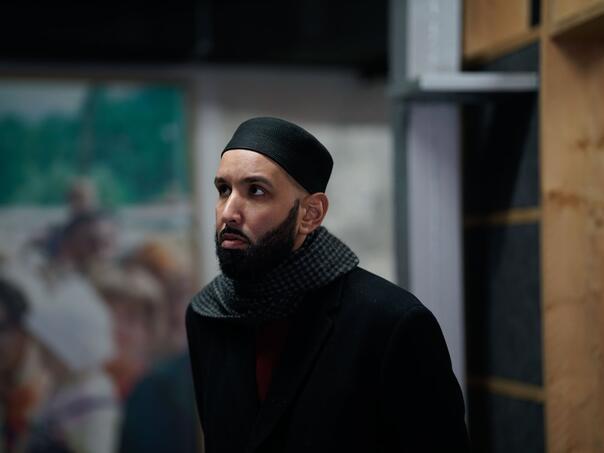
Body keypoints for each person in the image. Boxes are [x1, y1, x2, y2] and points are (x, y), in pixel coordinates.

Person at [186, 117, 470, 452]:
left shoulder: (390, 323)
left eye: (256, 191)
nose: (229, 212)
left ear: (310, 214)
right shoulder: (208, 315)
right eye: (223, 190)